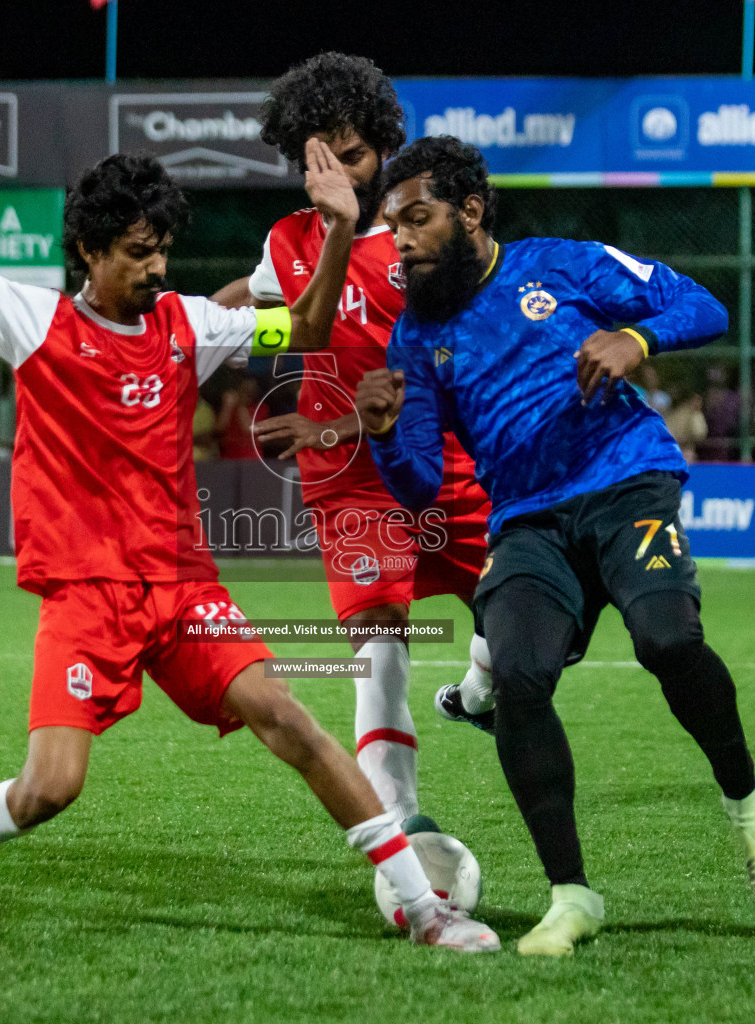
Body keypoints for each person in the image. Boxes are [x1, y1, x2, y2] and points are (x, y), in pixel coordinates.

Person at [0, 66, 496, 951]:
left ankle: (420, 908)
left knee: (290, 719)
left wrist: (341, 230)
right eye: (136, 250)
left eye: (162, 248)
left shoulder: (187, 325)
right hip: (87, 597)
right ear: (88, 251)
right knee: (50, 788)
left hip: (183, 592)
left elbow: (306, 331)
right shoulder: (33, 322)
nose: (157, 267)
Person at [355, 136, 755, 957]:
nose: (402, 240)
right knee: (519, 680)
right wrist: (383, 432)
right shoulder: (415, 339)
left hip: (626, 479)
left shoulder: (561, 266)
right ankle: (573, 895)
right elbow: (418, 482)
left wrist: (638, 340)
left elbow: (701, 304)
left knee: (668, 639)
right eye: (393, 226)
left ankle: (748, 804)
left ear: (472, 213)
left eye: (418, 219)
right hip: (528, 520)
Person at [212, 53, 497, 833]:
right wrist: (184, 327)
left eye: (353, 152)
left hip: (444, 463)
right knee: (379, 653)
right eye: (319, 154)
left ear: (384, 147)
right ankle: (402, 830)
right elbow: (262, 300)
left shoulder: (426, 233)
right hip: (349, 482)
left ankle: (479, 691)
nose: (338, 169)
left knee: (530, 626)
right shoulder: (291, 239)